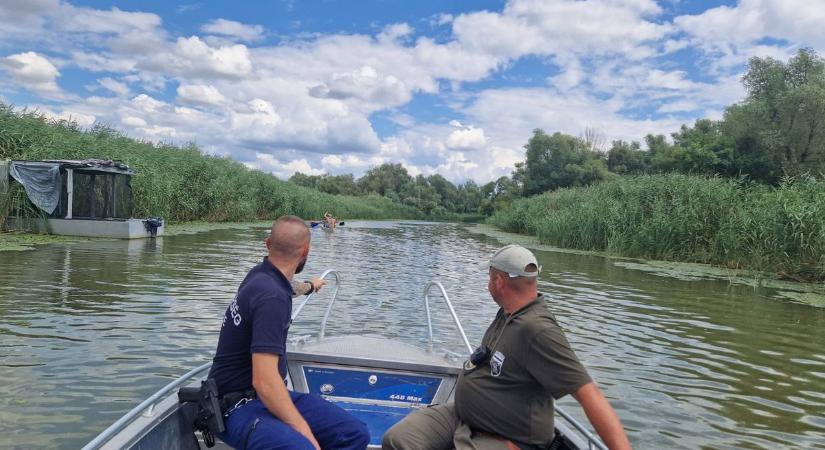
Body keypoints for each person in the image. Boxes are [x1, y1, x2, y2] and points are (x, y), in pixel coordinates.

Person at [382, 245, 631, 450]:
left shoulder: (538, 330)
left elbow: (590, 395)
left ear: (500, 281)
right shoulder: (509, 312)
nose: (487, 283)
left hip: (504, 437)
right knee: (399, 440)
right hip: (464, 417)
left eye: (490, 277)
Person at [208, 215, 369, 450]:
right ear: (306, 251)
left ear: (268, 244)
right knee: (303, 446)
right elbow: (264, 381)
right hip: (236, 407)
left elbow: (289, 287)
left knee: (353, 434)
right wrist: (304, 431)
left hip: (265, 398)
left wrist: (311, 286)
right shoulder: (272, 297)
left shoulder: (261, 276)